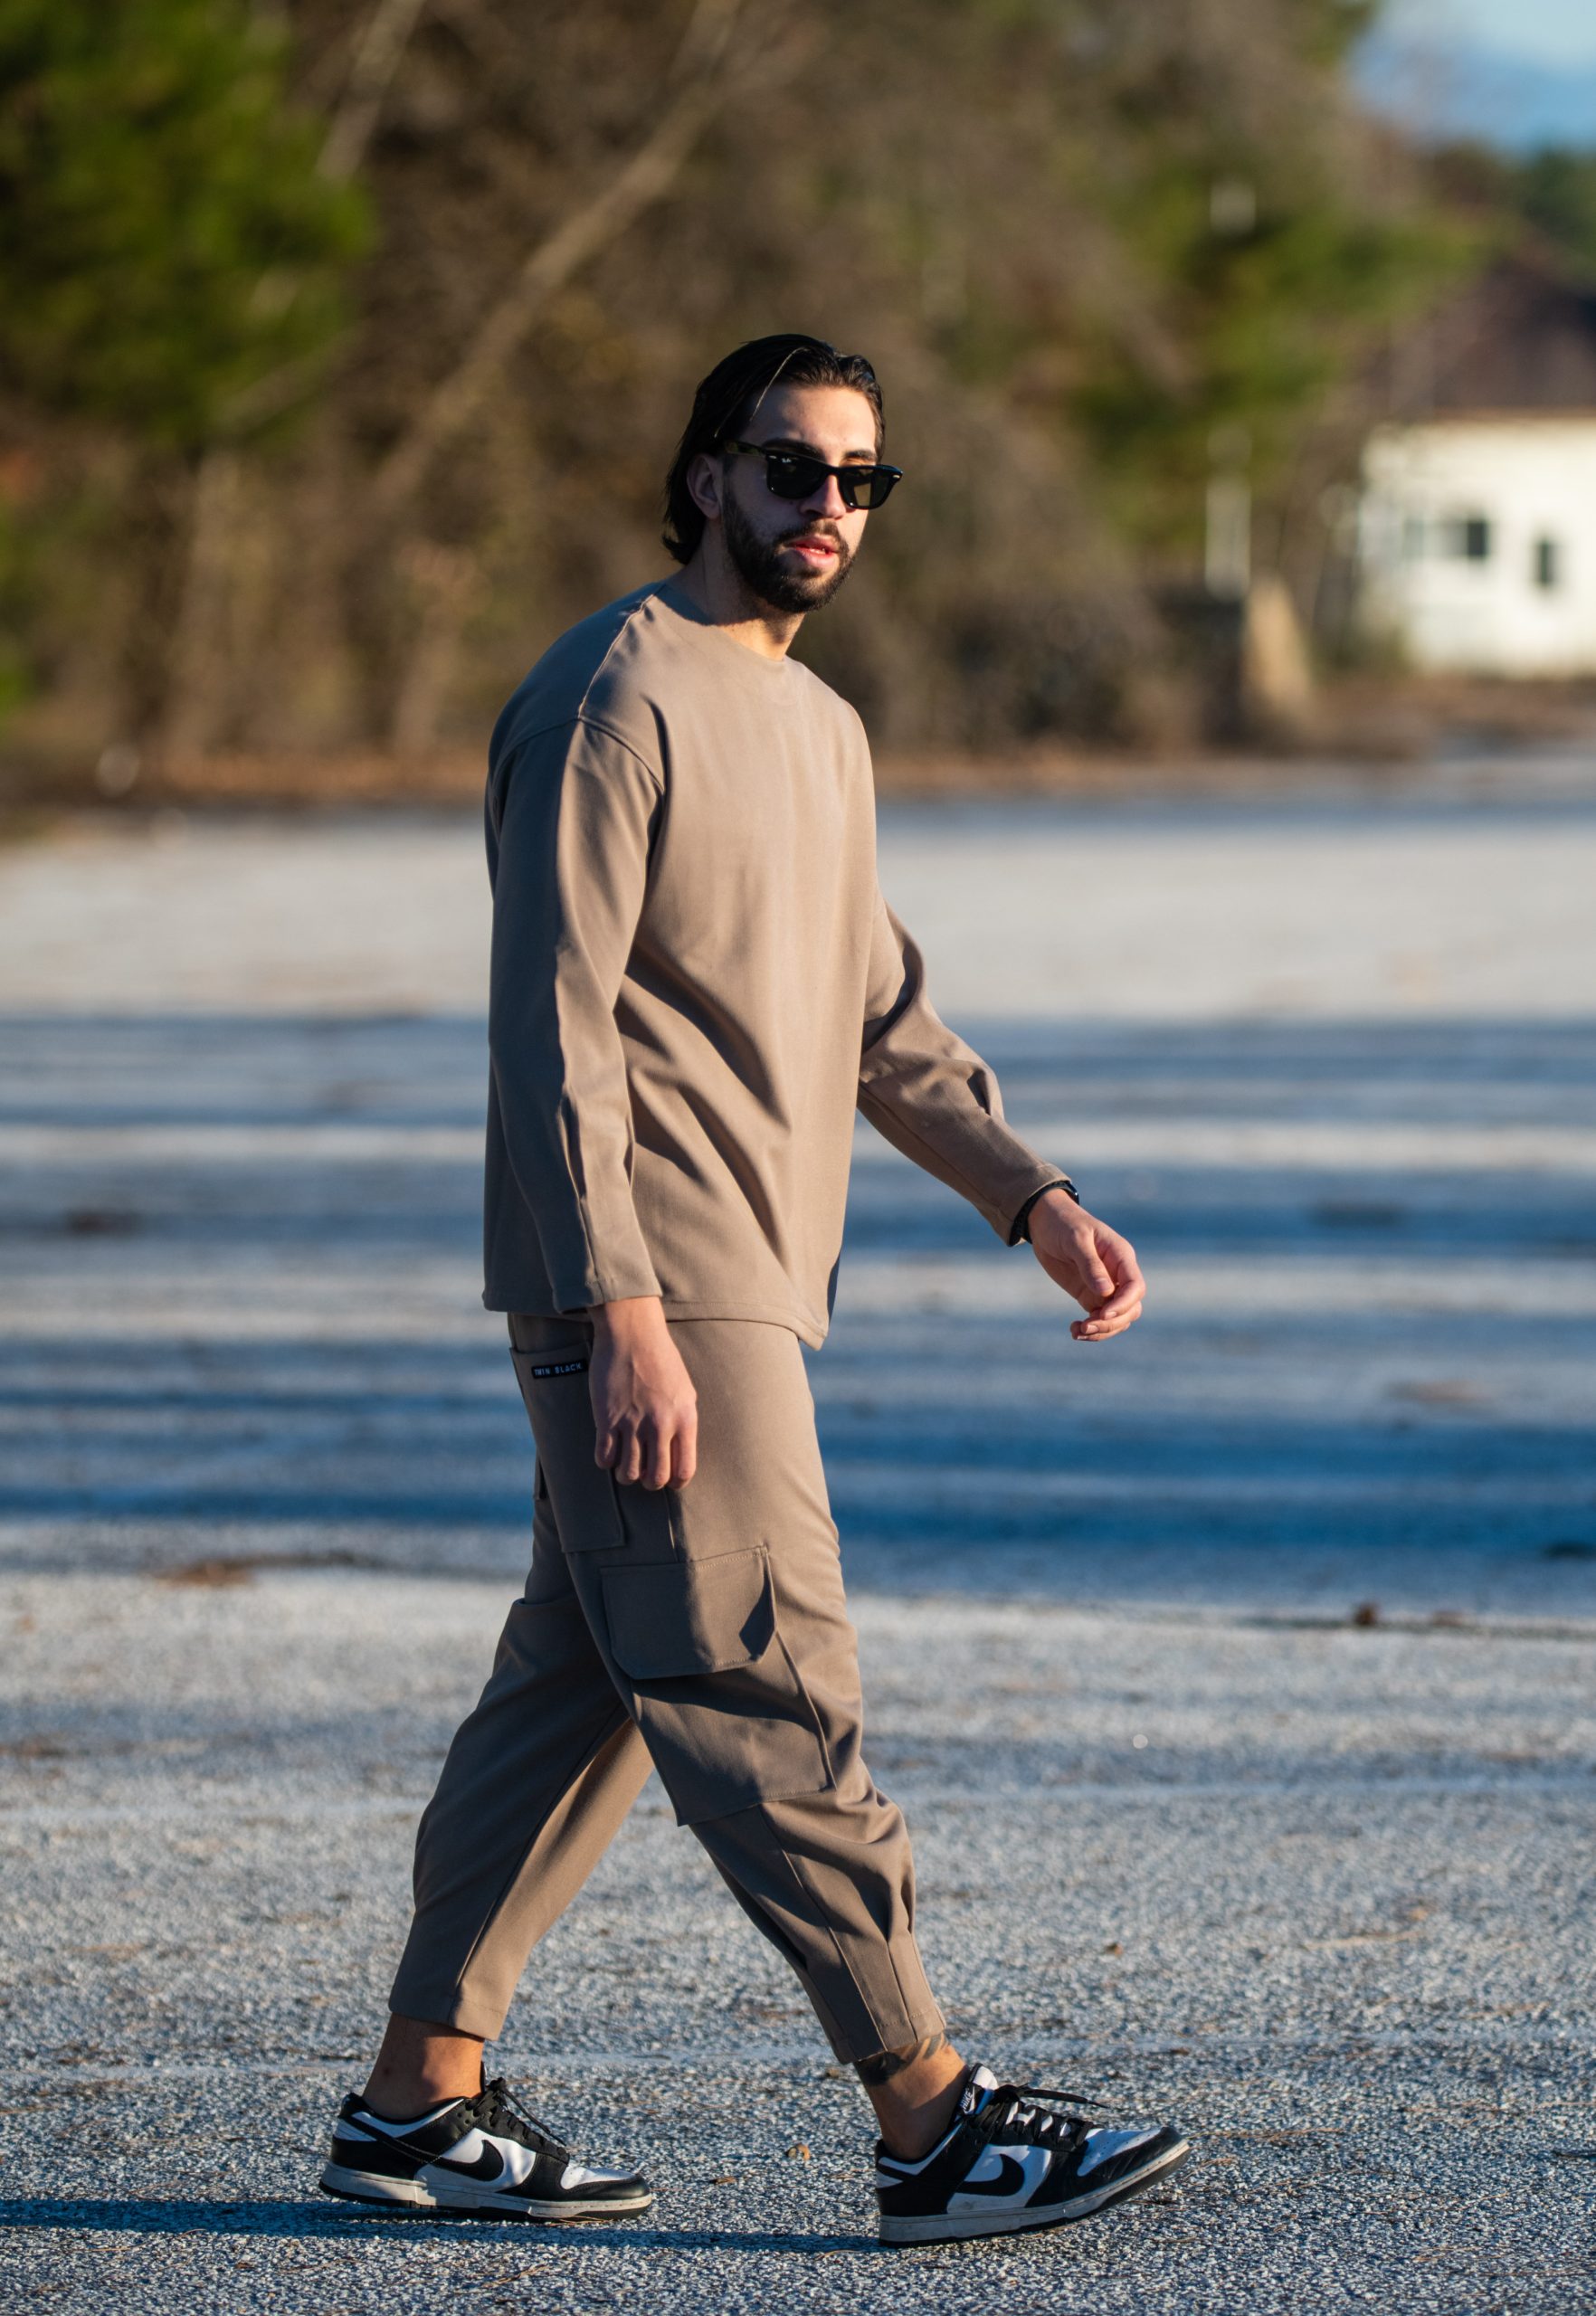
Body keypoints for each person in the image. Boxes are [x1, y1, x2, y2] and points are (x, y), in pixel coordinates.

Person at [318, 333, 1190, 2246]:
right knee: (767, 1675)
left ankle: (414, 2104)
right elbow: (552, 1028)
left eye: (861, 480)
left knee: (587, 1684)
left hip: (746, 1282)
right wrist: (619, 1303)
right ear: (707, 474)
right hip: (659, 1282)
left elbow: (879, 1010)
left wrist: (1027, 1192)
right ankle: (929, 2118)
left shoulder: (819, 726)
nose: (828, 509)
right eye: (793, 468)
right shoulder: (608, 698)